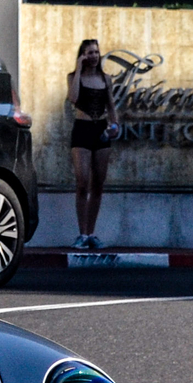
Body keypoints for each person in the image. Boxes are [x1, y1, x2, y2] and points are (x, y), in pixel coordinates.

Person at [66, 39, 116, 251]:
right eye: (89, 52)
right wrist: (78, 69)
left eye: (96, 52)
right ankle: (82, 233)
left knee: (98, 184)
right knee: (82, 182)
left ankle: (92, 233)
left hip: (101, 130)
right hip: (82, 129)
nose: (94, 56)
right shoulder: (73, 77)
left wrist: (115, 125)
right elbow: (73, 98)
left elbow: (111, 105)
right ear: (82, 55)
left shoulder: (105, 78)